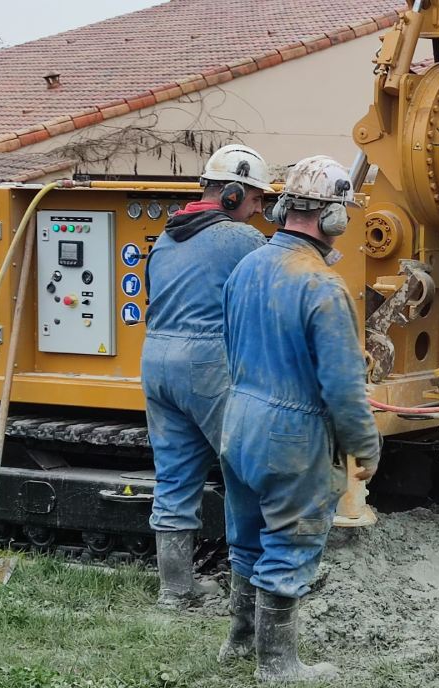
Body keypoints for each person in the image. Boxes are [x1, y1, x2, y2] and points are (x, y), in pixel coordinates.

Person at [217, 155, 380, 682]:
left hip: (237, 422)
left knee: (246, 538)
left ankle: (240, 642)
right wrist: (365, 445)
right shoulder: (323, 288)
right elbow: (343, 384)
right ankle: (278, 663)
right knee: (289, 542)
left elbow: (230, 342)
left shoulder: (246, 267)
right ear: (335, 218)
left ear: (284, 206)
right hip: (291, 434)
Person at [142, 144, 272, 609]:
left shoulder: (165, 237)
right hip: (206, 362)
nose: (259, 212)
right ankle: (250, 596)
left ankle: (175, 593)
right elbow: (289, 273)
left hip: (156, 361)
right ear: (234, 193)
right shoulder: (238, 240)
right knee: (245, 471)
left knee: (175, 477)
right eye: (257, 201)